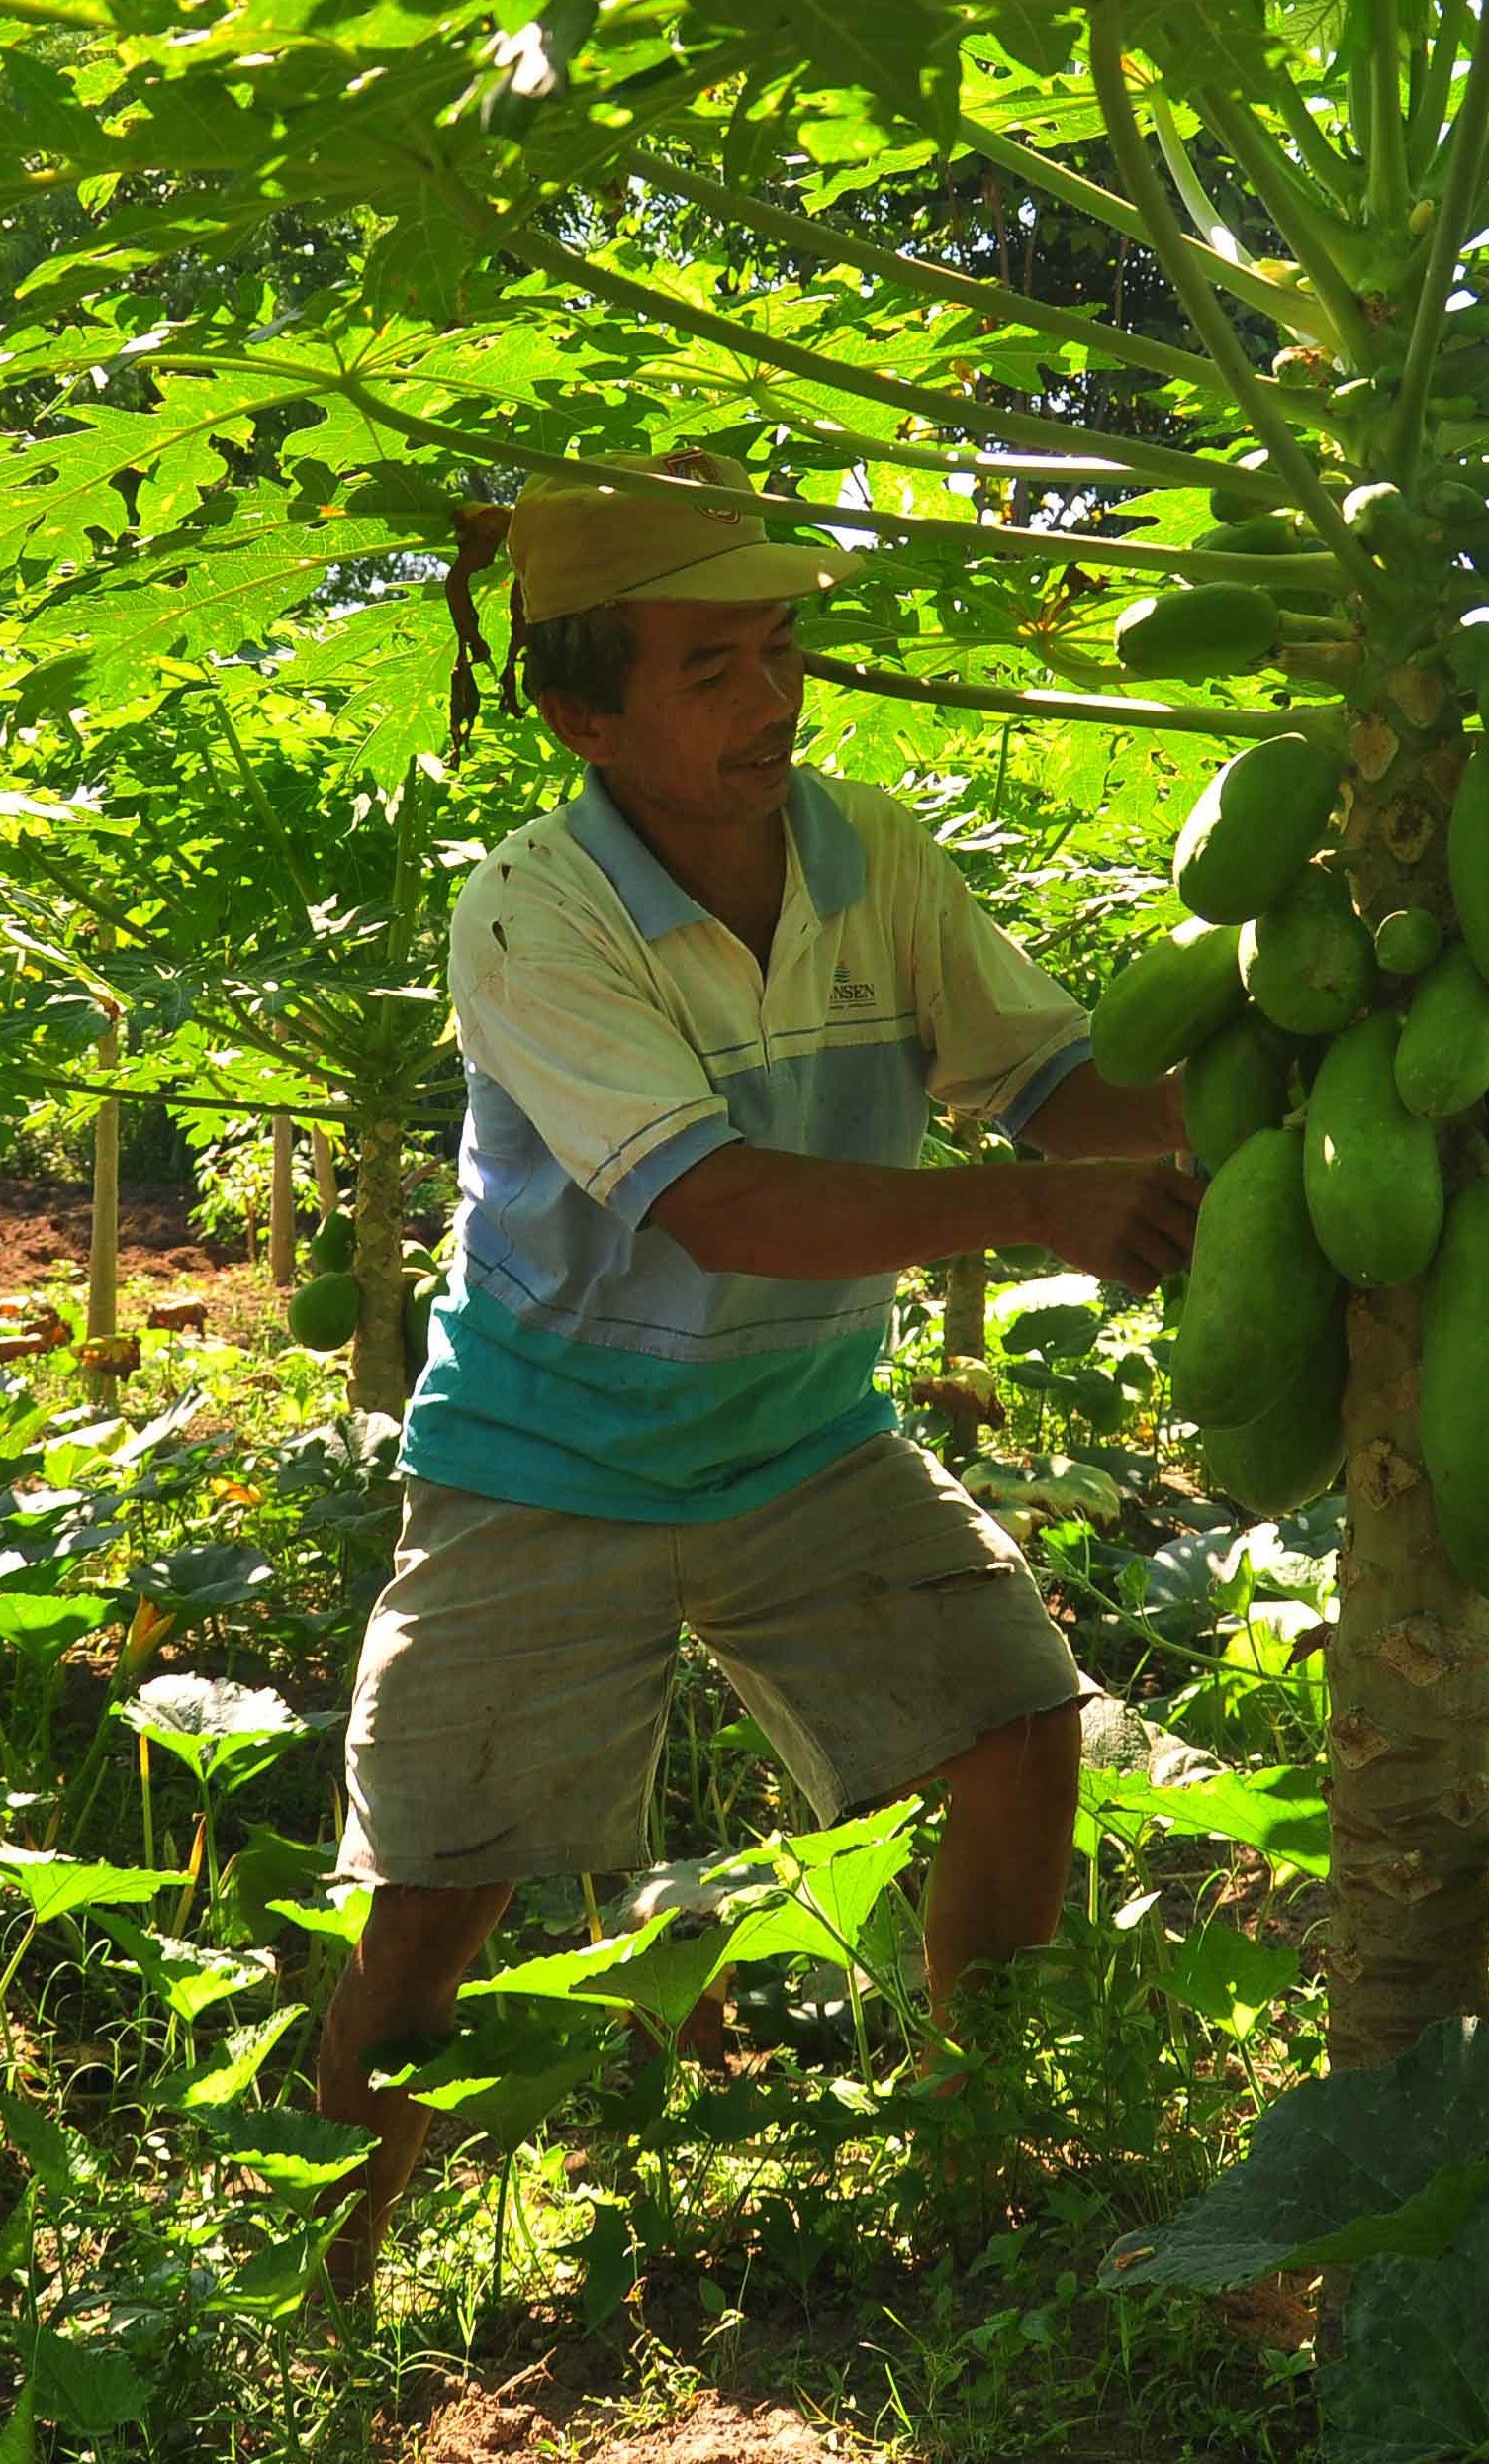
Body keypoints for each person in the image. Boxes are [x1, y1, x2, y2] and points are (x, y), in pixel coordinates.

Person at [312, 445, 1200, 2297]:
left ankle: (984, 2145)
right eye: (710, 668)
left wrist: (1297, 1060)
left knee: (1018, 1731)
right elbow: (719, 1208)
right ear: (581, 712)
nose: (773, 697)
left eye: (779, 650)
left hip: (803, 1445)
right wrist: (1037, 1213)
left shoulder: (875, 855)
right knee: (438, 1892)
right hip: (550, 1462)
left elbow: (1054, 1085)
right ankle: (305, 2278)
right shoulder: (531, 914)